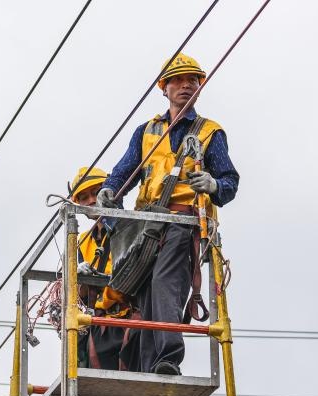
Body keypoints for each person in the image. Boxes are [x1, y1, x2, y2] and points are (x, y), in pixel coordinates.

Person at [97, 52, 240, 376]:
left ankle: (168, 356)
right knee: (147, 293)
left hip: (183, 222)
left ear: (200, 87)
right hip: (147, 226)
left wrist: (214, 184)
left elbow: (230, 182)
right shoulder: (147, 131)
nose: (186, 86)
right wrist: (110, 196)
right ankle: (154, 367)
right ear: (164, 88)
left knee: (165, 284)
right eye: (178, 80)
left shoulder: (209, 132)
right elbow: (123, 172)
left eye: (192, 80)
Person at [69, 167, 138, 396]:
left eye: (91, 194)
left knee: (120, 392)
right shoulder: (83, 242)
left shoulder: (129, 226)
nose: (88, 203)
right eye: (82, 199)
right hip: (98, 324)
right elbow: (75, 290)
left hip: (127, 319)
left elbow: (130, 269)